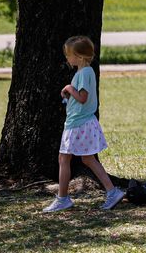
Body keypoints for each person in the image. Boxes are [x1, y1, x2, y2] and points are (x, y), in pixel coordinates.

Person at [44, 35, 125, 213]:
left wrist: (68, 88)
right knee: (88, 159)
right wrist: (69, 94)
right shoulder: (85, 72)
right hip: (83, 122)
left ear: (79, 57)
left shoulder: (83, 73)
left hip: (77, 124)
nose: (67, 58)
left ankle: (62, 199)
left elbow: (82, 98)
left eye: (69, 54)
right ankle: (112, 192)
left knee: (64, 159)